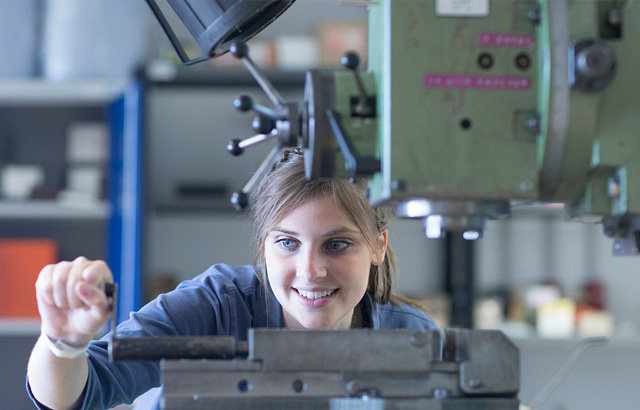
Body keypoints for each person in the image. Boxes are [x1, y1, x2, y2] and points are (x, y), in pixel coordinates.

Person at [27, 148, 438, 410]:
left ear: (378, 246)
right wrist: (63, 343)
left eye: (337, 245)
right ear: (263, 246)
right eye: (288, 243)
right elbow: (80, 394)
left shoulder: (410, 336)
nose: (310, 270)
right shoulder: (214, 308)